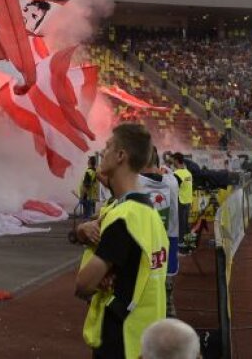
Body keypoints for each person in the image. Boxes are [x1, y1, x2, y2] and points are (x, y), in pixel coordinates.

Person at [75, 124, 169, 359]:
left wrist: (95, 279)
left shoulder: (123, 218)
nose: (102, 152)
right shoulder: (150, 214)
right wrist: (82, 232)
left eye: (107, 147)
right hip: (147, 338)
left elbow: (83, 285)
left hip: (122, 338)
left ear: (120, 156)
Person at [139, 147, 180, 318]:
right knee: (165, 279)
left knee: (144, 281)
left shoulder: (136, 182)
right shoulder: (172, 181)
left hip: (144, 240)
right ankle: (168, 308)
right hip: (169, 238)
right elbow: (171, 173)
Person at [170, 154, 193, 246]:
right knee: (186, 223)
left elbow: (173, 189)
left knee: (180, 223)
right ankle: (189, 242)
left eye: (173, 161)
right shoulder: (188, 173)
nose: (172, 163)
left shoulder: (176, 174)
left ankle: (181, 243)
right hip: (188, 201)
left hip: (181, 201)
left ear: (176, 160)